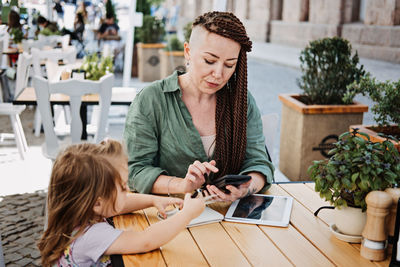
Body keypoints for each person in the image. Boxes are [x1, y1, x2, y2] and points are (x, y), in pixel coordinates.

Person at [124, 11, 274, 202]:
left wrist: (246, 188)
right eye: (209, 61)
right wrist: (182, 185)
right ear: (188, 52)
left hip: (229, 218)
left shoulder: (241, 102)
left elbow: (259, 163)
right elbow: (135, 170)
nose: (218, 74)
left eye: (229, 65)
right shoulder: (151, 100)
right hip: (170, 217)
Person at [37, 139, 205, 266]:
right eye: (124, 187)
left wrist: (153, 200)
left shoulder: (81, 212)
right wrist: (187, 214)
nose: (127, 192)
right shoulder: (91, 235)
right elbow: (145, 240)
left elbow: (120, 204)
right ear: (97, 202)